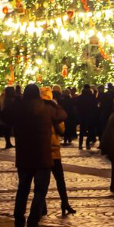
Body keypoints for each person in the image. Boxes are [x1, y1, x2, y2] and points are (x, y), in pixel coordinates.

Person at [0, 83, 66, 227]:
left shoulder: (19, 107)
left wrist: (17, 101)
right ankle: (33, 224)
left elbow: (4, 117)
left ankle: (18, 224)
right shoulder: (47, 107)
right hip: (43, 155)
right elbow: (63, 114)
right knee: (40, 191)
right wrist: (50, 102)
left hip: (24, 155)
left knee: (22, 190)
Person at [41, 87, 75, 215]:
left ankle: (42, 206)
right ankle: (65, 203)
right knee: (60, 179)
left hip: (42, 149)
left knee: (43, 181)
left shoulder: (37, 110)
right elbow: (61, 130)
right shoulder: (54, 111)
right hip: (54, 149)